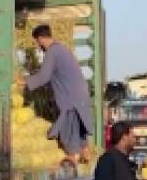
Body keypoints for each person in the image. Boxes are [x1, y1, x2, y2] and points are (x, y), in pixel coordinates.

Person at [19, 25, 94, 163]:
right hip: (80, 96)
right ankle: (85, 156)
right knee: (80, 135)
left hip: (71, 100)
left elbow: (44, 76)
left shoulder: (52, 52)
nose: (37, 46)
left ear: (41, 38)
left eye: (36, 42)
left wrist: (24, 82)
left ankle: (73, 160)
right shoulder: (62, 49)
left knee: (69, 135)